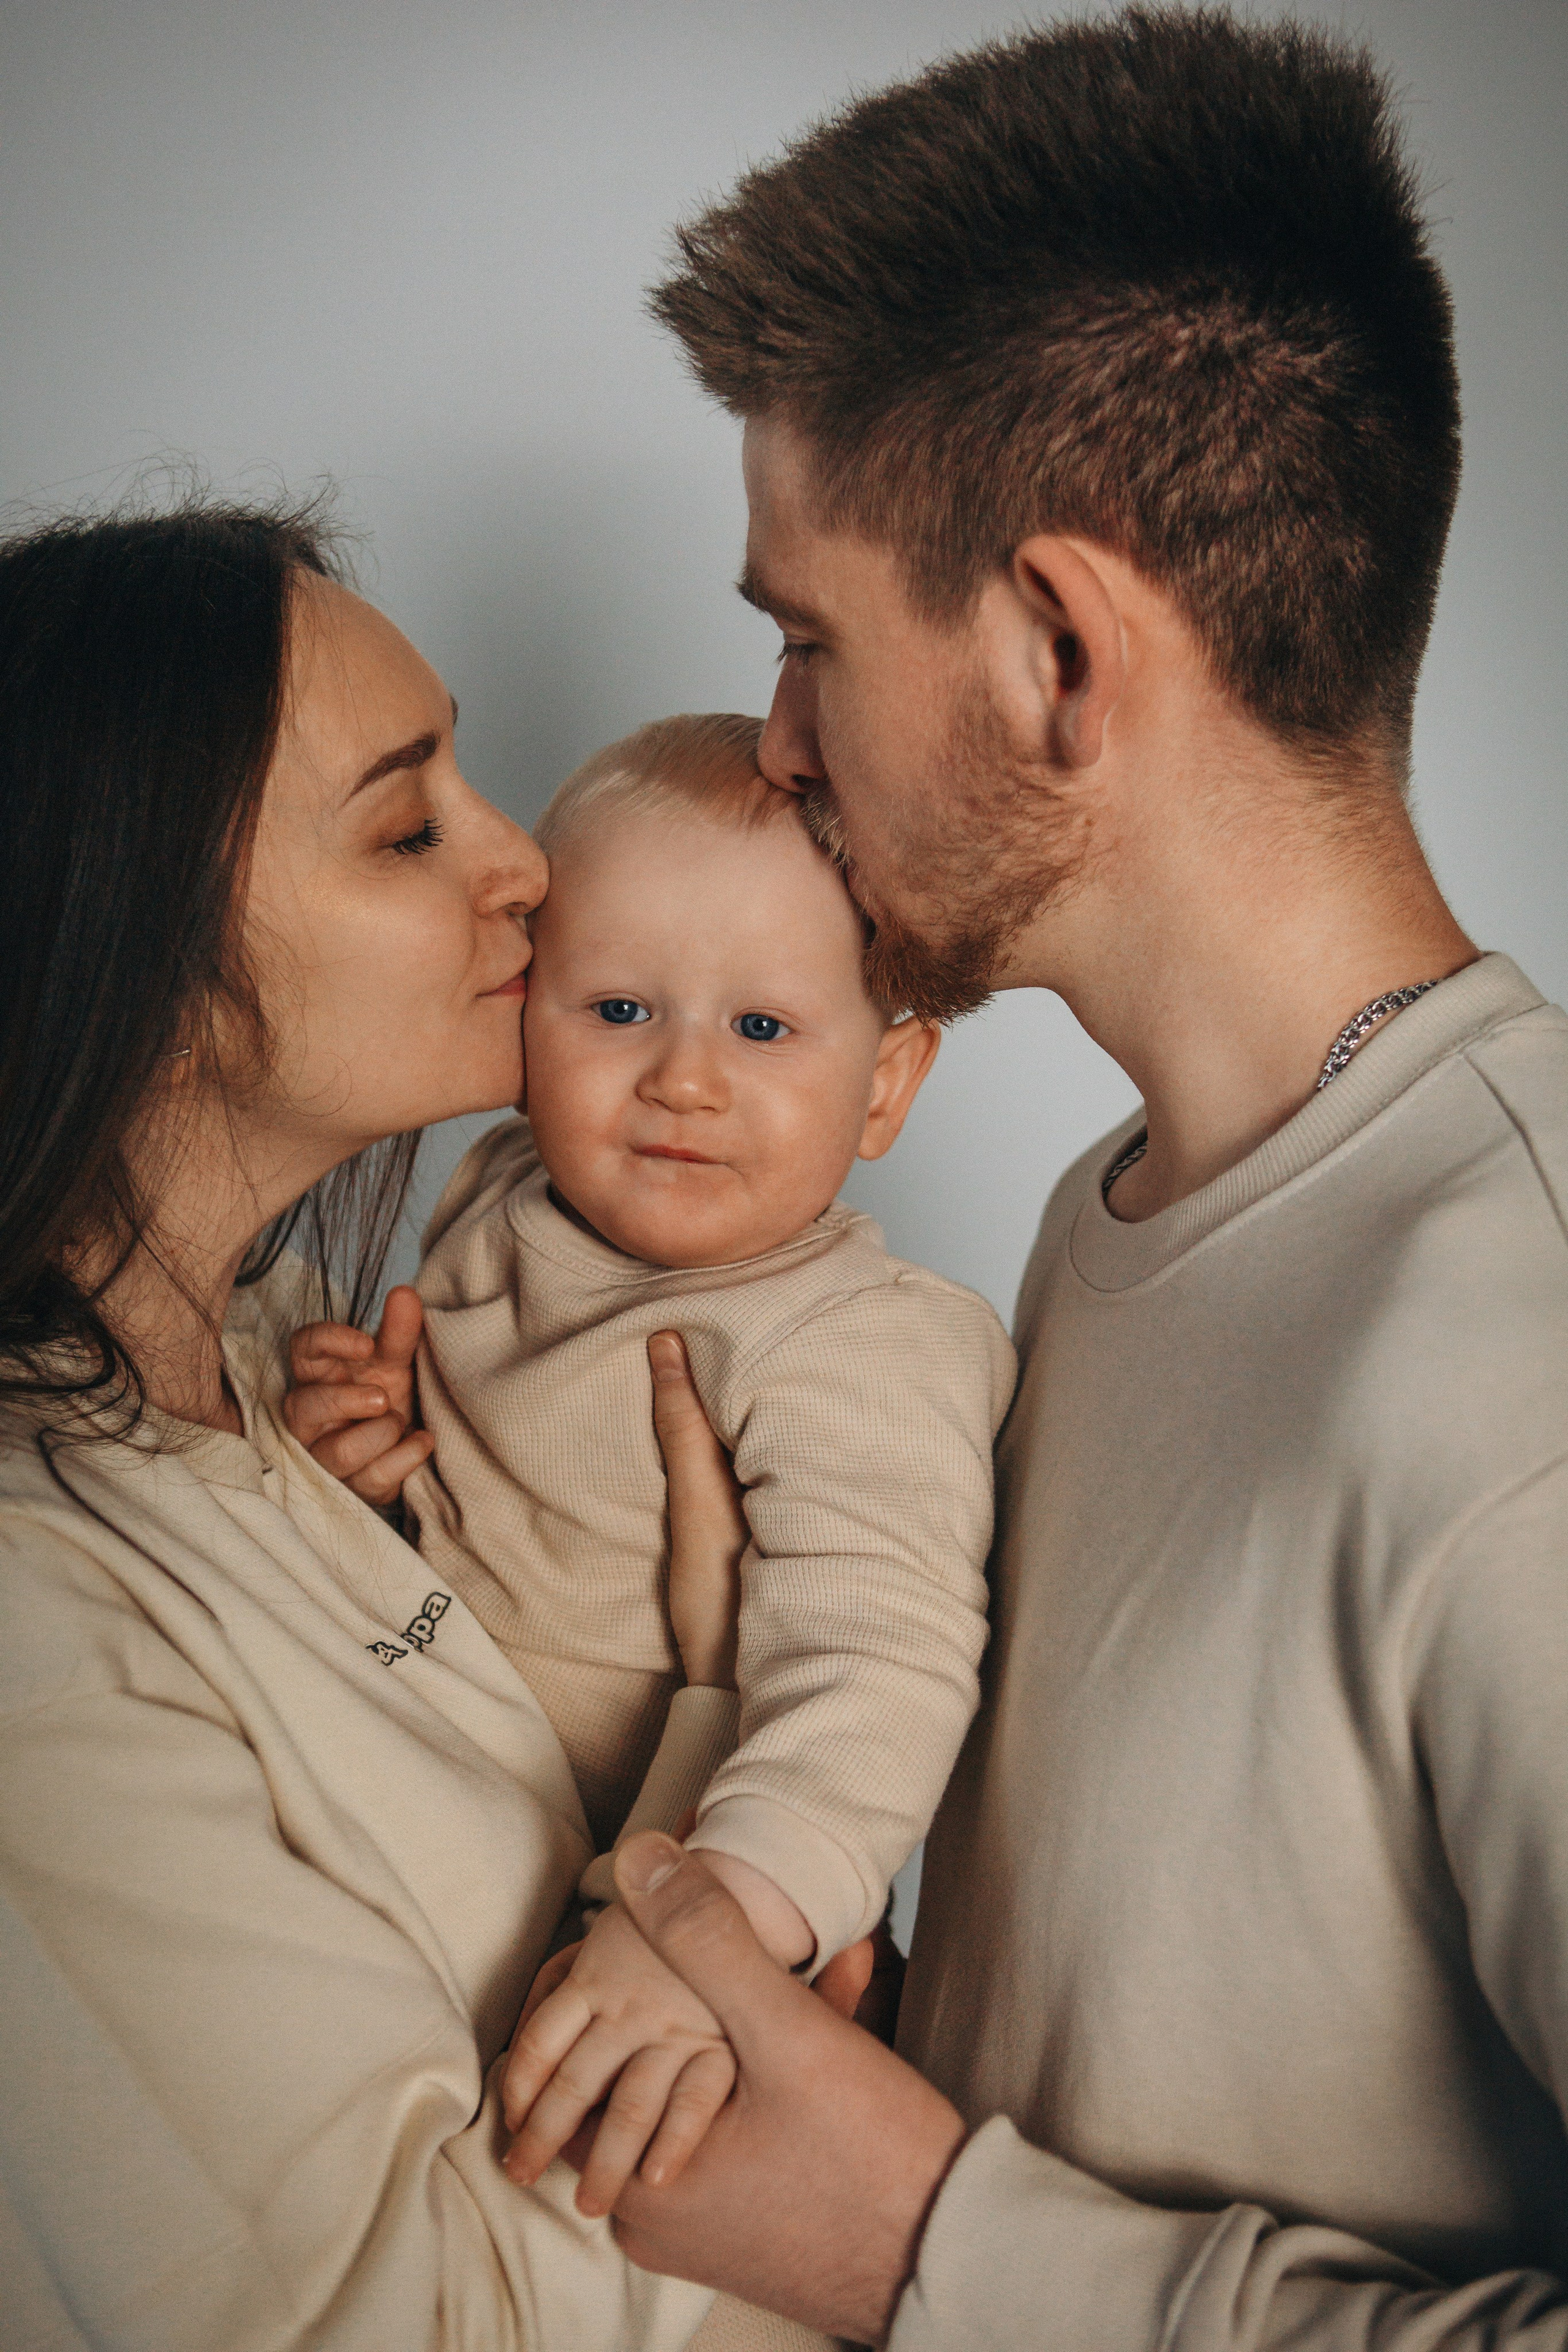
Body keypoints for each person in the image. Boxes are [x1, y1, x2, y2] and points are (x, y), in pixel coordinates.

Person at [562, 12, 1568, 2351]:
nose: (777, 751)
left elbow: (963, 2248)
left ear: (1055, 652)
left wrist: (931, 2249)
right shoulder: (1109, 1225)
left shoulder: (1524, 1369)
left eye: (806, 640)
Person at [0, 499, 854, 2351]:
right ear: (130, 954)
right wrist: (746, 1877)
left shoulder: (302, 1365)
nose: (530, 862)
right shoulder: (31, 1633)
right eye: (408, 825)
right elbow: (407, 2321)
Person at [282, 708, 1013, 2219]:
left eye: (760, 1029)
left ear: (885, 1086)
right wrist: (363, 1483)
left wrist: (719, 1929)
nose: (681, 1080)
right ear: (522, 1012)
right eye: (616, 1010)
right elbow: (472, 1530)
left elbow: (877, 1667)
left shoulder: (852, 1344)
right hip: (401, 1825)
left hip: (647, 1910)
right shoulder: (500, 1194)